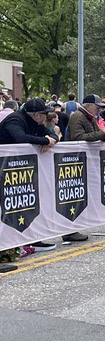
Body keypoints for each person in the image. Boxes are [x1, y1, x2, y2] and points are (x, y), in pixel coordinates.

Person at [0, 99, 60, 262]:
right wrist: (45, 141)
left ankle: (30, 239)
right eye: (45, 114)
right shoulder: (16, 119)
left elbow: (52, 132)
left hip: (18, 168)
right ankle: (8, 247)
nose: (47, 116)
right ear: (36, 115)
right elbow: (19, 137)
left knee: (26, 204)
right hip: (5, 167)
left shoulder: (35, 122)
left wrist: (51, 139)